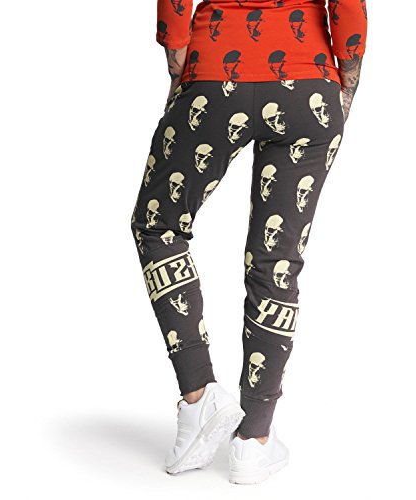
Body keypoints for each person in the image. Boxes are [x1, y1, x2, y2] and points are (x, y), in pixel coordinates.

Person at [130, 0, 367, 484]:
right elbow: (348, 6)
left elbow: (174, 7)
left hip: (215, 76)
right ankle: (253, 441)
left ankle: (198, 396)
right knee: (277, 261)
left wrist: (179, 70)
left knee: (157, 225)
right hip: (309, 86)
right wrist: (346, 81)